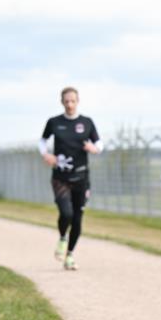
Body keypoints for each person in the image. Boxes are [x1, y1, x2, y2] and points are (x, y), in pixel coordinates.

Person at [39, 87, 103, 271]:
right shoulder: (54, 122)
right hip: (61, 177)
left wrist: (95, 149)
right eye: (66, 101)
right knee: (66, 213)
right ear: (62, 102)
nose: (69, 104)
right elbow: (42, 141)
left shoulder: (87, 122)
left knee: (77, 219)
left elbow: (99, 143)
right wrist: (46, 155)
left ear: (78, 101)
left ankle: (70, 255)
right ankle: (62, 238)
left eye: (72, 101)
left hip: (82, 178)